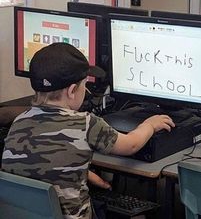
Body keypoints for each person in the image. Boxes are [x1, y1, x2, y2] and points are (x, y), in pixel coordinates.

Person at [1, 43, 175, 219]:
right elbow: (131, 145)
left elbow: (38, 170)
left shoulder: (19, 121)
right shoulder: (85, 123)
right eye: (84, 85)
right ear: (72, 91)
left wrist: (79, 171)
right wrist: (150, 125)